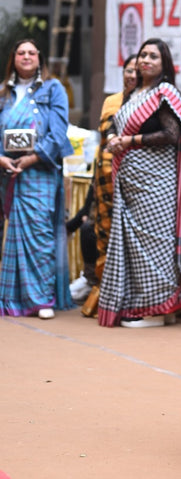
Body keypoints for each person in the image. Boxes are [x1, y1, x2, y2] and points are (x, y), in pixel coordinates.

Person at [98, 38, 181, 328]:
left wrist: (129, 141)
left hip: (157, 182)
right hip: (130, 180)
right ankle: (157, 309)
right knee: (136, 245)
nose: (145, 60)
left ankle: (160, 309)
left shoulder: (164, 92)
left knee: (155, 244)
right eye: (143, 54)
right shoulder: (134, 94)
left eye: (153, 56)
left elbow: (172, 134)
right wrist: (113, 140)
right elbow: (116, 128)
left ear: (164, 63)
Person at [0, 39, 74, 318]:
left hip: (40, 171)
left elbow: (58, 133)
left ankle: (42, 299)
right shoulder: (3, 94)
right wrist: (2, 159)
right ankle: (15, 297)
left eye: (32, 52)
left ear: (39, 59)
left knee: (40, 234)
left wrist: (31, 158)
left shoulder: (53, 89)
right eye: (21, 52)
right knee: (14, 235)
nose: (27, 56)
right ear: (14, 59)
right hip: (9, 174)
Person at [71, 54, 138, 313]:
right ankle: (101, 289)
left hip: (135, 181)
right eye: (127, 70)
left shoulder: (149, 101)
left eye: (136, 70)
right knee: (101, 234)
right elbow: (105, 139)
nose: (131, 75)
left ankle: (128, 298)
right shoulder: (111, 101)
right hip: (106, 179)